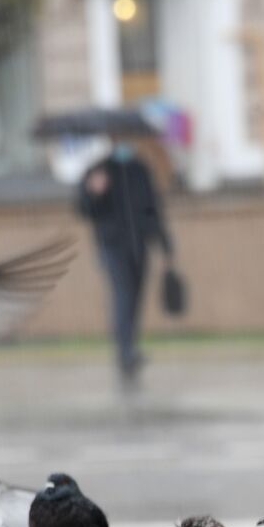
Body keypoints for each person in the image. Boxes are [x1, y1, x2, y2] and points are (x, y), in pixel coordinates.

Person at [76, 137, 174, 389]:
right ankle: (125, 351)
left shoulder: (140, 169)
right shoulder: (98, 170)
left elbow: (153, 208)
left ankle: (129, 348)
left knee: (136, 298)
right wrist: (93, 192)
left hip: (139, 245)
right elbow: (83, 209)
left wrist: (165, 246)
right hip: (112, 246)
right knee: (123, 295)